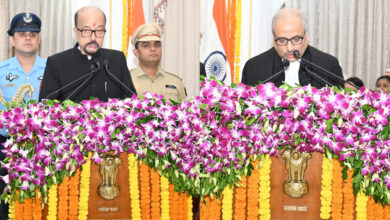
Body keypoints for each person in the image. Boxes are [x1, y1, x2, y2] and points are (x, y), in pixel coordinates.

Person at [0, 12, 45, 219]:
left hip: (43, 147)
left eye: (33, 34)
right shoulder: (1, 70)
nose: (28, 37)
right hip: (6, 146)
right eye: (22, 33)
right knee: (5, 204)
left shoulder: (52, 68)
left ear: (38, 39)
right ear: (12, 39)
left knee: (42, 202)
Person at [39, 6, 136, 102]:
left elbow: (131, 101)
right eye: (86, 31)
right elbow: (46, 107)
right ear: (76, 32)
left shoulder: (117, 59)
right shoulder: (57, 63)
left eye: (99, 31)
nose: (93, 38)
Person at [241, 8, 344, 88]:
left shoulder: (328, 66)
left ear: (306, 37)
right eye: (282, 40)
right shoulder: (253, 68)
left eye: (296, 39)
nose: (289, 48)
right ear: (273, 40)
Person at [130, 23, 186, 102]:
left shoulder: (175, 82)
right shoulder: (127, 80)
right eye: (146, 45)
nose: (153, 48)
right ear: (136, 52)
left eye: (157, 45)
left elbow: (184, 112)